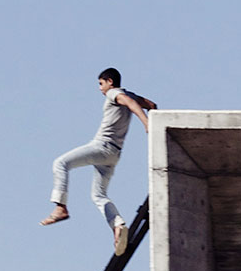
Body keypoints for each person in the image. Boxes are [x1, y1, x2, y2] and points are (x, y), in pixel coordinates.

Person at [40, 68, 155, 256]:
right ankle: (117, 224)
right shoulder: (127, 93)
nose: (100, 89)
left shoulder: (113, 93)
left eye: (101, 84)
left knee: (60, 163)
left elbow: (130, 103)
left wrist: (146, 122)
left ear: (109, 81)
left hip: (102, 147)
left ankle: (60, 207)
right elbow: (149, 103)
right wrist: (154, 114)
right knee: (98, 195)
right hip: (113, 155)